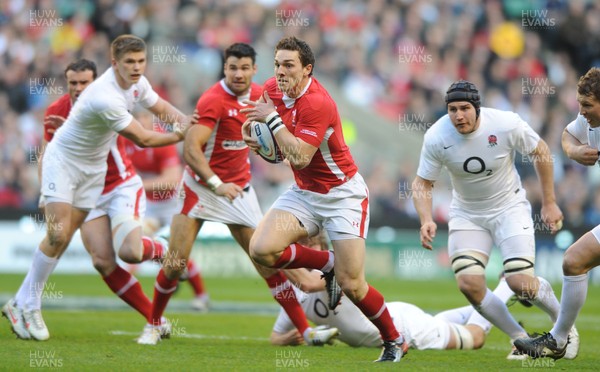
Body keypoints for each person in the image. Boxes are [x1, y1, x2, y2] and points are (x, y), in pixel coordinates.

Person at [141, 42, 337, 346]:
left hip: (239, 190)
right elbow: (192, 150)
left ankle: (306, 330)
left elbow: (279, 134)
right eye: (233, 67)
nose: (238, 74)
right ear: (224, 68)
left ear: (254, 70)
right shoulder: (212, 100)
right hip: (202, 189)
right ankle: (153, 324)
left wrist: (272, 152)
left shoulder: (263, 96)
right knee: (176, 263)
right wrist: (217, 183)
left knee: (266, 262)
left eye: (245, 68)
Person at [1, 34, 190, 341]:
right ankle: (30, 304)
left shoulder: (136, 84)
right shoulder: (102, 97)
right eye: (129, 62)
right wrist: (183, 135)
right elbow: (142, 137)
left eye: (141, 61)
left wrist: (190, 123)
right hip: (64, 166)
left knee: (94, 252)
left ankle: (19, 302)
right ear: (114, 64)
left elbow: (162, 107)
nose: (137, 67)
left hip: (96, 174)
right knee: (59, 234)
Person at [240, 36, 405, 362]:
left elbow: (300, 156)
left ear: (307, 69)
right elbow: (269, 142)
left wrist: (271, 122)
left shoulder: (318, 102)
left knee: (353, 283)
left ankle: (394, 339)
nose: (280, 72)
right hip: (305, 192)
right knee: (260, 249)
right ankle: (326, 262)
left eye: (289, 65)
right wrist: (256, 141)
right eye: (277, 64)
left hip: (343, 195)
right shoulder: (271, 90)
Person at [412, 80, 577, 359]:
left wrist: (549, 202)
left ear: (478, 108)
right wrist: (425, 218)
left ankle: (564, 328)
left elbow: (542, 151)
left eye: (465, 108)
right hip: (467, 213)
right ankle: (521, 338)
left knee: (519, 282)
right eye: (452, 109)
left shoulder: (505, 123)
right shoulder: (437, 136)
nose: (458, 115)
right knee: (469, 284)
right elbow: (422, 182)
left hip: (509, 207)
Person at [514, 67, 600, 360]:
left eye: (587, 105)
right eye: (580, 104)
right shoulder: (588, 121)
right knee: (574, 261)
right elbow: (566, 134)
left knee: (574, 260)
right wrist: (575, 152)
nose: (582, 111)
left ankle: (559, 339)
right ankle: (559, 340)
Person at [124, 118, 209, 312]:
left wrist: (137, 185)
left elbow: (172, 180)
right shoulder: (125, 141)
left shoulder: (161, 141)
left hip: (173, 202)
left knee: (178, 248)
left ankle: (201, 296)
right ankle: (168, 267)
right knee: (139, 239)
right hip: (149, 204)